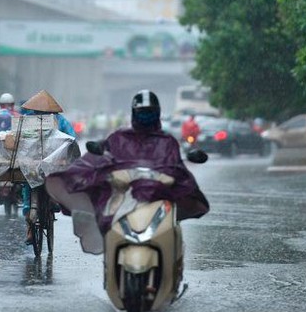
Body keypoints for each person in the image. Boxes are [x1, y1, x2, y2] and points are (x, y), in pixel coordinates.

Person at [58, 89, 209, 235]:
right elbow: (103, 159)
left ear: (157, 113)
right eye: (142, 113)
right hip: (126, 198)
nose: (146, 117)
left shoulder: (168, 142)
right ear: (134, 113)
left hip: (159, 200)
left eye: (149, 113)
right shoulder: (119, 137)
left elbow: (179, 172)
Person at [19, 90, 76, 244]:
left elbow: (17, 139)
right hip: (49, 163)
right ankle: (53, 201)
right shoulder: (59, 119)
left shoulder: (27, 119)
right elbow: (71, 137)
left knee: (27, 192)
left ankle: (30, 232)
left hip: (32, 163)